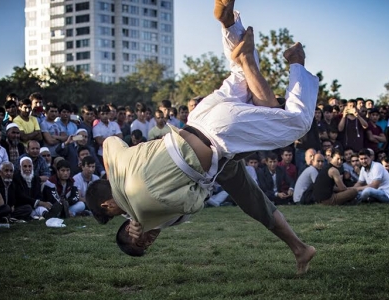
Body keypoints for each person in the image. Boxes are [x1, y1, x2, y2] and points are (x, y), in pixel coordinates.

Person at [87, 0, 317, 275]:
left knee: (297, 124)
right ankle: (229, 23)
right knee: (241, 76)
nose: (147, 240)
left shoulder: (142, 207)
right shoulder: (120, 163)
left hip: (218, 137)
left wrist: (140, 219)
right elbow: (111, 143)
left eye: (112, 215)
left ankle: (296, 62)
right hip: (198, 119)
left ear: (108, 205)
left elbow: (194, 202)